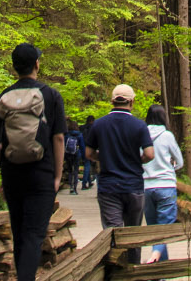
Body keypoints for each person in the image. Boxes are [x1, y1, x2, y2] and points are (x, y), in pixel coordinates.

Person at [0, 43, 67, 281]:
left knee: (19, 231)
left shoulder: (2, 97)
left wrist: (3, 168)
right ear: (37, 64)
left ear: (14, 67)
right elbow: (59, 138)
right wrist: (57, 176)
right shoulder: (51, 95)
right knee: (33, 234)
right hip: (41, 174)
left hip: (12, 174)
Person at [83, 85, 155, 264]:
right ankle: (133, 270)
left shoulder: (99, 124)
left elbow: (89, 154)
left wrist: (105, 156)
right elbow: (149, 154)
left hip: (109, 187)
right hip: (134, 187)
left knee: (113, 235)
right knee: (133, 235)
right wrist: (136, 159)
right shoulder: (139, 125)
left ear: (112, 101)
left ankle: (114, 272)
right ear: (131, 102)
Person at [141, 105, 185, 264]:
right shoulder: (167, 136)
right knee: (165, 228)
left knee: (155, 230)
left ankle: (160, 272)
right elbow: (180, 161)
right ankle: (154, 257)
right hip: (166, 185)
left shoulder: (141, 135)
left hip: (146, 187)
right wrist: (169, 168)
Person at [62, 119, 83, 194]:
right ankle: (75, 188)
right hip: (76, 154)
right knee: (76, 171)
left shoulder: (67, 135)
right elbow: (82, 146)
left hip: (68, 154)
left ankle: (70, 187)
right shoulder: (80, 135)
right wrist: (83, 155)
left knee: (70, 171)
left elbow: (63, 145)